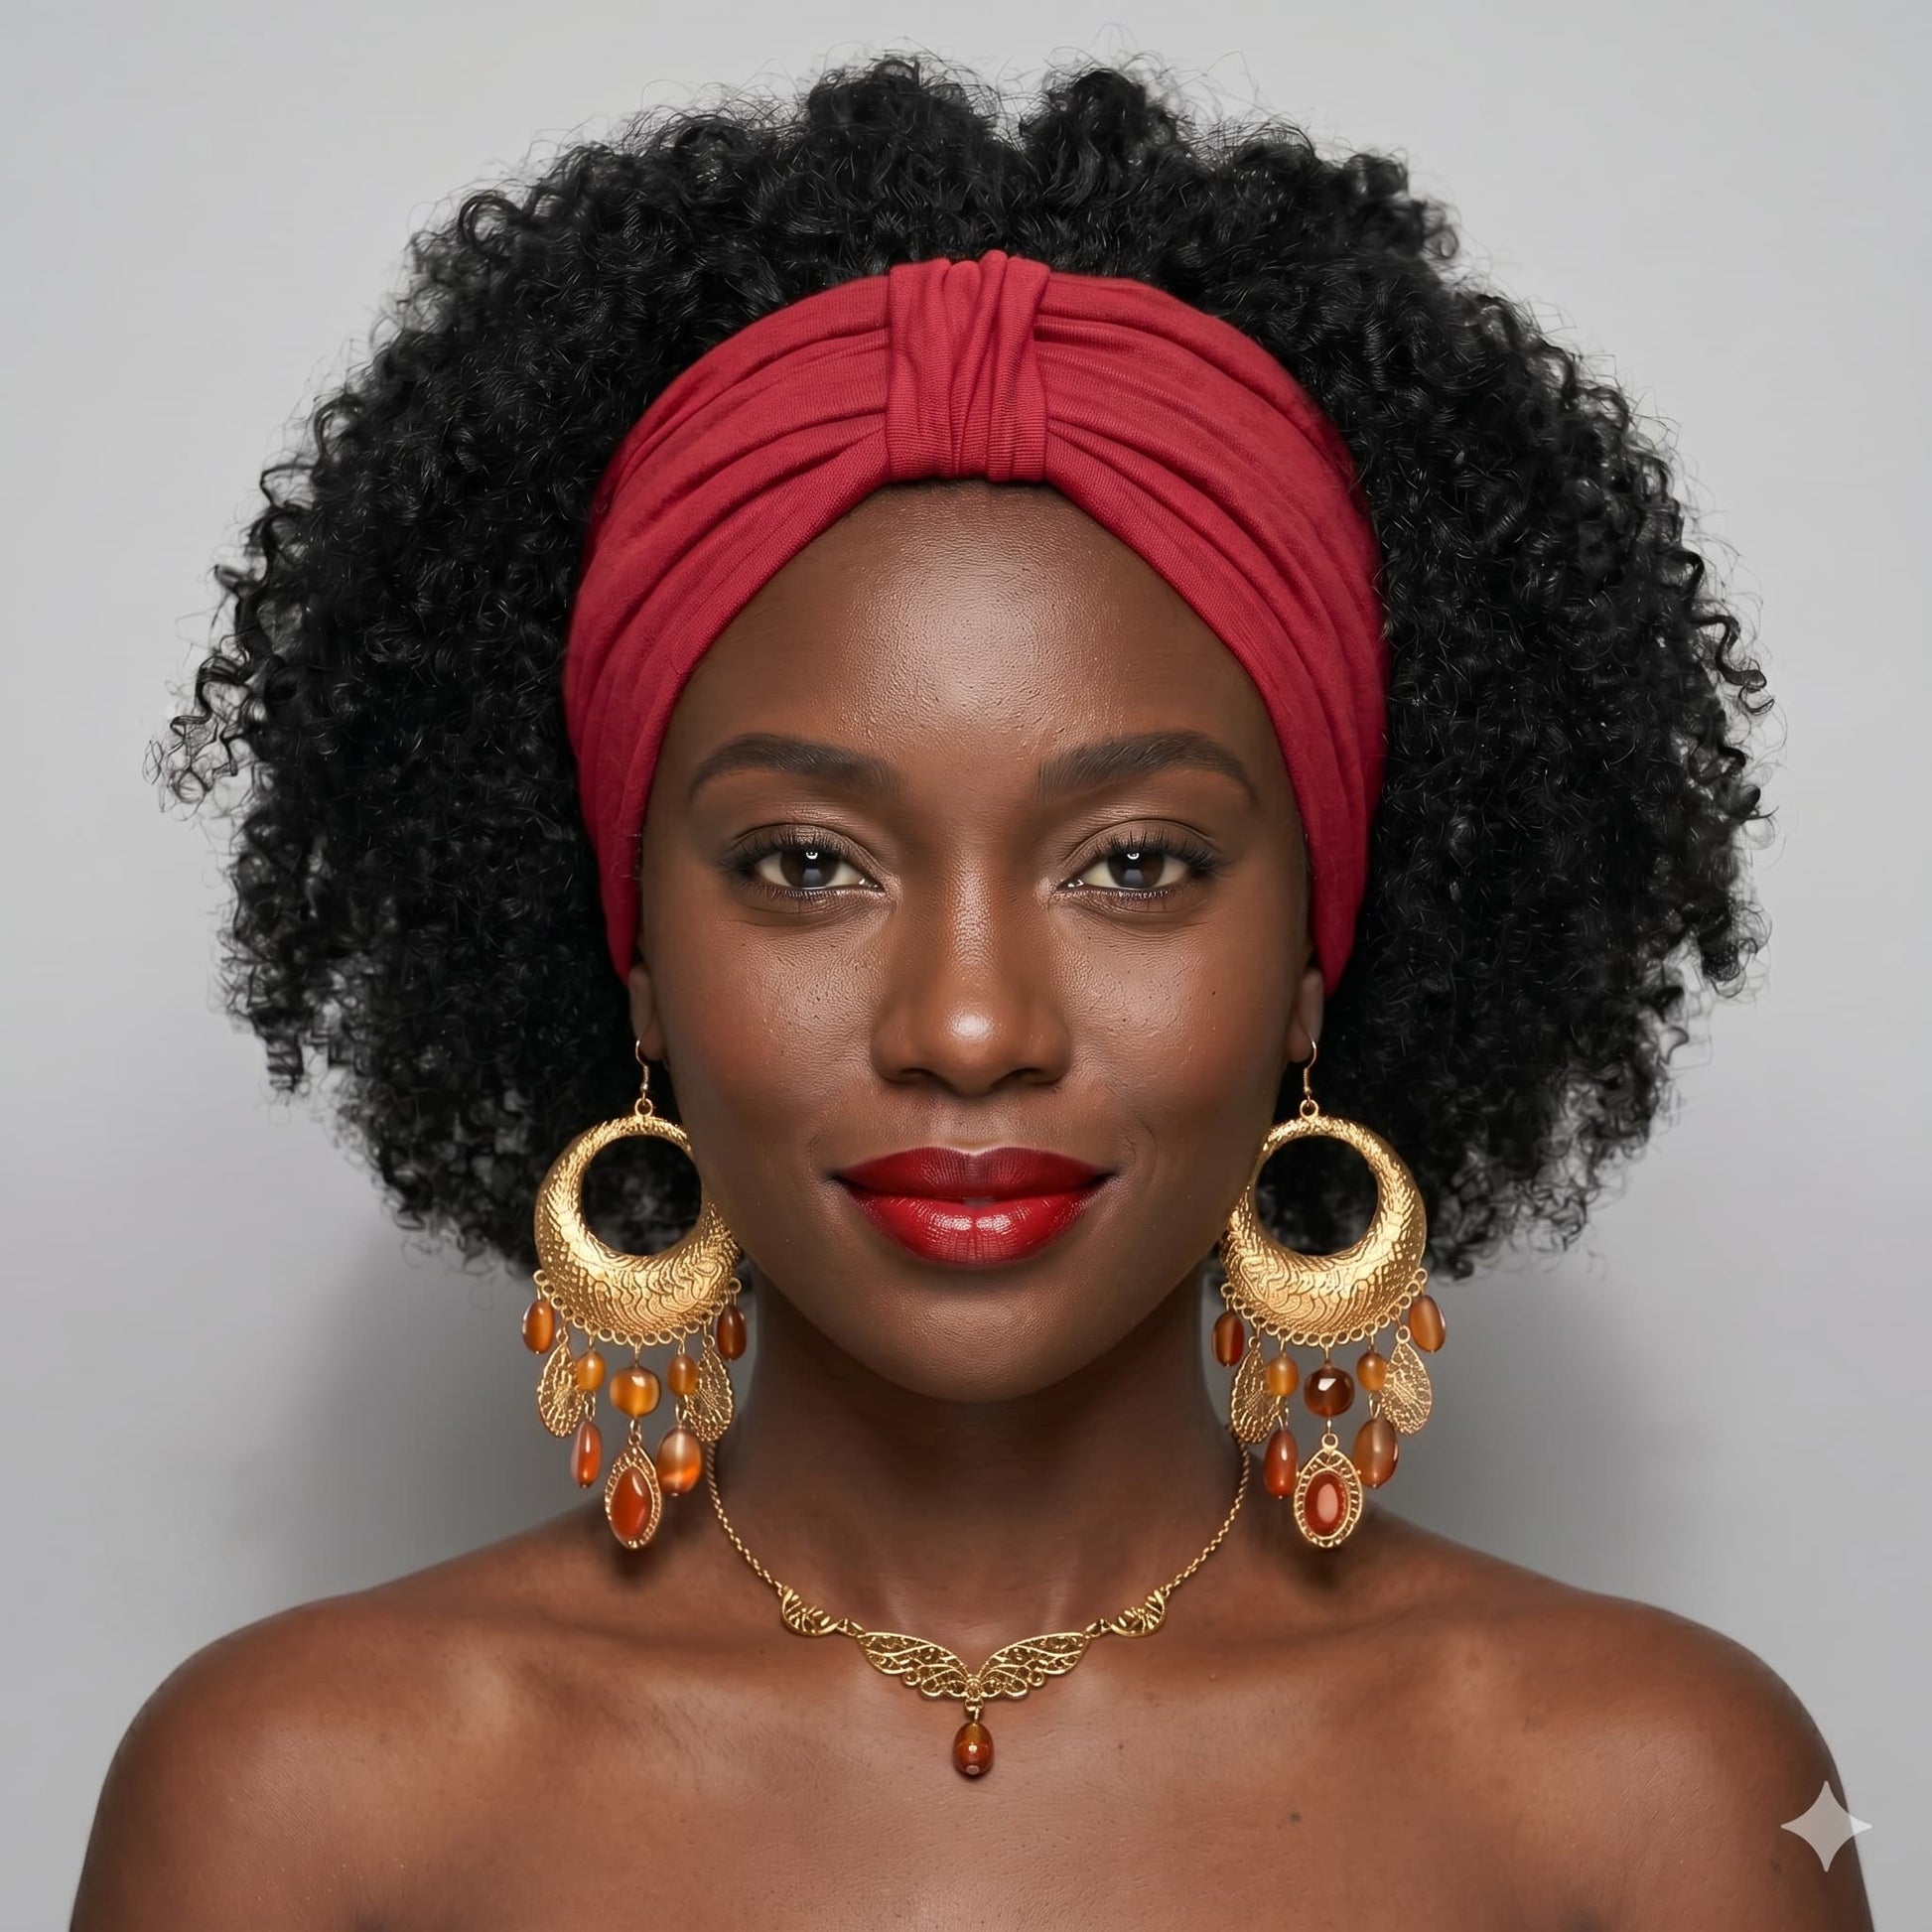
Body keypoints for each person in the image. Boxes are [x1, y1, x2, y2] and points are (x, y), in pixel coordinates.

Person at [72, 56, 1871, 1929]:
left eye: (1134, 864)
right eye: (805, 865)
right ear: (634, 962)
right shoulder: (296, 1807)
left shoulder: (1660, 1801)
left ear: (1316, 961)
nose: (967, 1024)